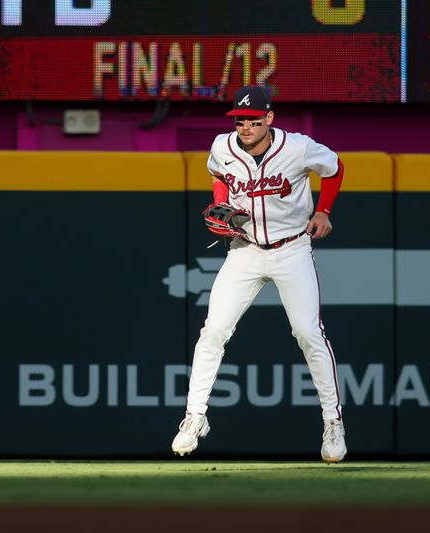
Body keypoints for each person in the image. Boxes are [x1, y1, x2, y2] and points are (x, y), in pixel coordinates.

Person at [171, 86, 347, 462]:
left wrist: (325, 210)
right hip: (245, 252)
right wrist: (221, 202)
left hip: (292, 249)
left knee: (307, 333)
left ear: (269, 118)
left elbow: (334, 166)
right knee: (214, 330)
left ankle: (333, 422)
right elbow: (217, 173)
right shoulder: (223, 146)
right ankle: (194, 417)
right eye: (240, 120)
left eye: (253, 120)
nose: (245, 126)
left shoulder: (297, 147)